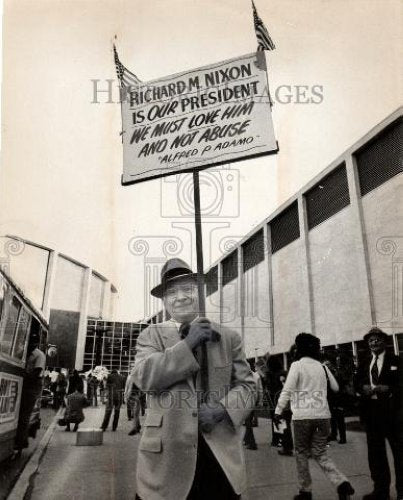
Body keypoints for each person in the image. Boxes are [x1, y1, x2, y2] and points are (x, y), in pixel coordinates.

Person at [132, 258, 256, 500]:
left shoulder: (228, 337)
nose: (180, 297)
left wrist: (222, 409)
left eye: (188, 289)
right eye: (172, 292)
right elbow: (145, 377)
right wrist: (188, 343)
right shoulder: (151, 335)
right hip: (166, 462)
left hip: (219, 458)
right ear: (165, 301)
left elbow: (248, 386)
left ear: (200, 293)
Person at [274, 333, 355, 500]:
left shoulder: (297, 365)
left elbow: (287, 390)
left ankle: (305, 491)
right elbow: (335, 388)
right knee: (320, 453)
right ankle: (341, 483)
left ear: (299, 348)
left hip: (302, 417)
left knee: (301, 453)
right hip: (323, 416)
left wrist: (278, 410)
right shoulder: (322, 366)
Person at [355, 327, 402, 500]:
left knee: (399, 453)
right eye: (370, 340)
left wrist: (389, 388)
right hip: (372, 414)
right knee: (376, 454)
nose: (374, 342)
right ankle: (381, 491)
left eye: (377, 339)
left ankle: (402, 491)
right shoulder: (364, 362)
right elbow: (357, 383)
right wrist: (362, 388)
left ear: (384, 341)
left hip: (393, 414)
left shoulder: (396, 360)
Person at [14, 333, 46, 453]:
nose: (30, 344)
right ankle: (21, 439)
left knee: (24, 415)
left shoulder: (39, 355)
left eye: (33, 342)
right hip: (23, 384)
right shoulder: (23, 352)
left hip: (31, 387)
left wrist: (22, 375)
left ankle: (21, 441)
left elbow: (36, 373)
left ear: (36, 343)